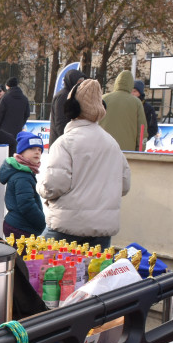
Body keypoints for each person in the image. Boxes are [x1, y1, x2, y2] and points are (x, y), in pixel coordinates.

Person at [37, 79, 131, 249]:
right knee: (94, 275)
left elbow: (53, 186)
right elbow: (124, 186)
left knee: (42, 269)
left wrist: (40, 188)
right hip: (102, 230)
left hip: (66, 227)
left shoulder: (65, 143)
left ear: (71, 108)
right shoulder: (113, 144)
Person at [0, 132, 46, 238]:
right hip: (20, 228)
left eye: (39, 149)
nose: (37, 152)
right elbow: (26, 204)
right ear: (21, 152)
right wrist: (41, 222)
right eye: (32, 148)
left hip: (19, 225)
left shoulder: (25, 172)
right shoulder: (22, 176)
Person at [100, 69, 148, 152]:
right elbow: (142, 130)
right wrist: (140, 152)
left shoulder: (103, 98)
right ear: (131, 85)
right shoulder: (136, 103)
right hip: (127, 152)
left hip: (102, 150)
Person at [49, 68, 85, 141]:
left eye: (82, 82)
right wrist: (65, 140)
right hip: (61, 141)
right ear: (72, 81)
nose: (81, 84)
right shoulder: (63, 96)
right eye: (79, 81)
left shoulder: (72, 94)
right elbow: (60, 121)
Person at [133, 79, 159, 143]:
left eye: (135, 91)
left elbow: (153, 128)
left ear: (140, 93)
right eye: (130, 91)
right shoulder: (126, 105)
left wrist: (143, 139)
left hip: (139, 141)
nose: (132, 94)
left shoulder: (148, 108)